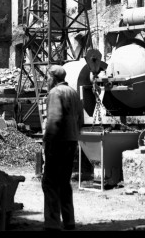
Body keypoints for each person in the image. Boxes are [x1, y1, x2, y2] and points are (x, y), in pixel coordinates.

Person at [41, 64, 83, 231]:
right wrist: (74, 135)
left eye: (47, 77)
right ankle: (69, 221)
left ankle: (52, 224)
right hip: (71, 141)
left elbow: (54, 119)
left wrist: (48, 142)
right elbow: (80, 120)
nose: (46, 81)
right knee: (64, 183)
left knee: (50, 182)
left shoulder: (54, 93)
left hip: (57, 141)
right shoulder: (73, 93)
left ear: (53, 77)